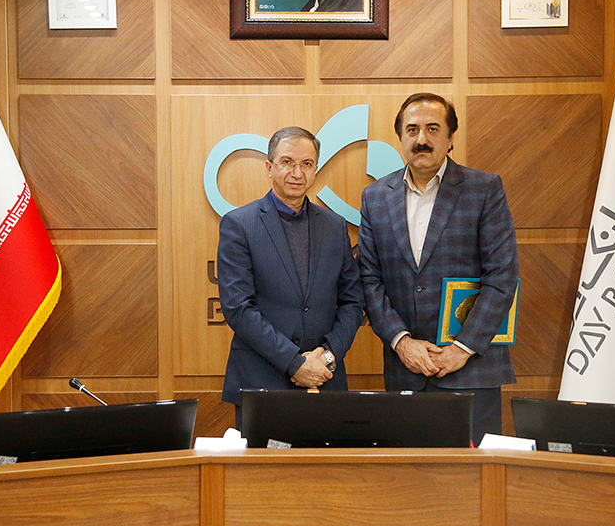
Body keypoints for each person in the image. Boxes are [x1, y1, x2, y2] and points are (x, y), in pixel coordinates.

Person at [357, 93, 519, 446]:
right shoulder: (375, 196)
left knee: (474, 475)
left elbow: (502, 276)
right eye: (412, 129)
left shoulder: (484, 189)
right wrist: (401, 343)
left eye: (432, 129)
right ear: (400, 137)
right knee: (410, 474)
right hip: (406, 370)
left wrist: (462, 348)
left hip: (472, 370)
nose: (421, 139)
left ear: (450, 137)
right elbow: (369, 279)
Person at [217, 127, 365, 428]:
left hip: (325, 381)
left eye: (306, 164)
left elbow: (353, 301)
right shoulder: (239, 225)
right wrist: (294, 363)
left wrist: (327, 357)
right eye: (287, 162)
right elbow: (238, 308)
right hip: (261, 383)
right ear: (269, 167)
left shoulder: (335, 226)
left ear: (315, 170)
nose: (297, 173)